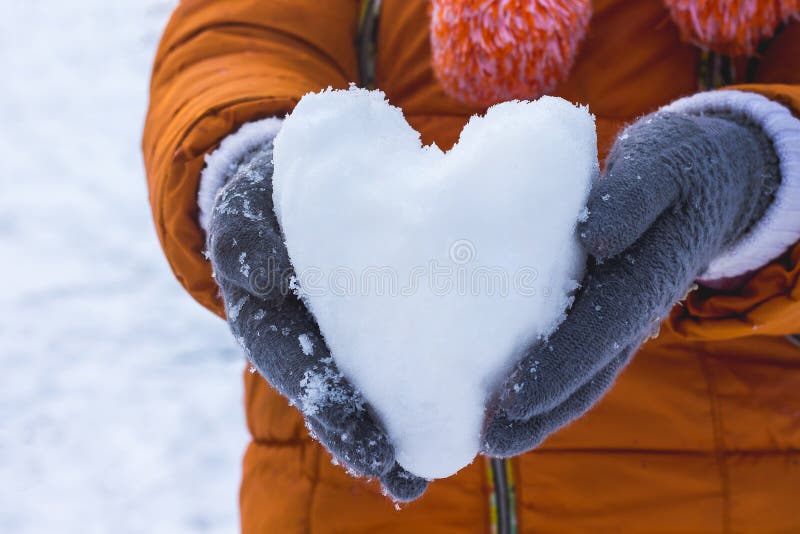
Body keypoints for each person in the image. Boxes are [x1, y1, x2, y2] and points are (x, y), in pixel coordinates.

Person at [143, 1, 800, 531]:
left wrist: (765, 164)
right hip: (344, 505)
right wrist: (243, 154)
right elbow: (238, 31)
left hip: (731, 487)